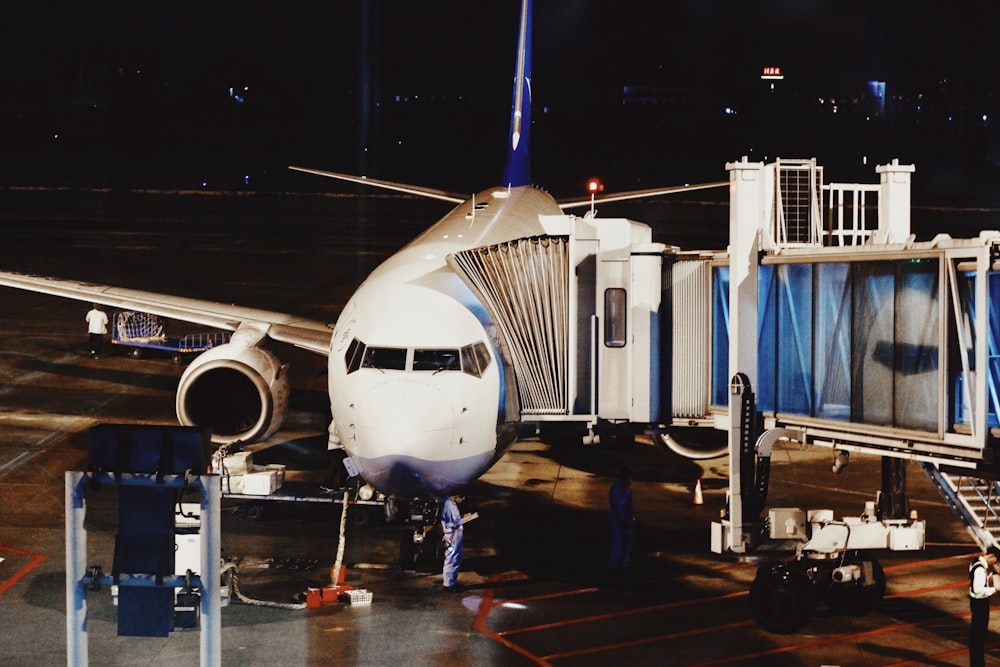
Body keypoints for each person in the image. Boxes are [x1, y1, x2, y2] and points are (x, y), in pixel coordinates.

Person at [969, 547, 999, 667]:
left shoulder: (975, 562)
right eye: (995, 560)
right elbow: (978, 589)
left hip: (975, 604)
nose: (994, 563)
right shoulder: (980, 570)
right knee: (979, 637)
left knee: (976, 636)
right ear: (991, 556)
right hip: (980, 604)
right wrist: (994, 589)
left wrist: (990, 576)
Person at [440, 494, 469, 590]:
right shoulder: (448, 505)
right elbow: (450, 523)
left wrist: (461, 518)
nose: (463, 499)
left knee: (455, 557)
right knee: (452, 558)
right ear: (456, 496)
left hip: (455, 534)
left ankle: (451, 581)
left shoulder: (451, 503)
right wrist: (465, 519)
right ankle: (449, 584)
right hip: (452, 534)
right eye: (461, 496)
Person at [608, 468, 634, 571]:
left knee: (626, 543)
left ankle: (622, 565)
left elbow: (629, 506)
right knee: (618, 543)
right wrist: (620, 520)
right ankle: (614, 565)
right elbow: (616, 506)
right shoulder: (618, 490)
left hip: (625, 521)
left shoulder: (627, 490)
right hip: (619, 521)